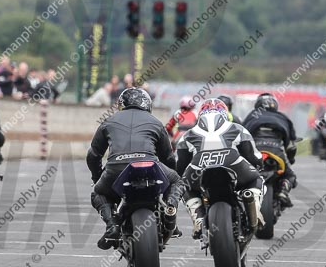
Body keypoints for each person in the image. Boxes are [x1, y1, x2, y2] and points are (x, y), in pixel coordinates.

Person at [87, 87, 183, 250]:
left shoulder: (108, 121)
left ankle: (112, 226)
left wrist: (97, 178)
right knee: (177, 181)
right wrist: (168, 182)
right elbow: (168, 157)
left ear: (122, 104)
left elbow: (93, 155)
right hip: (150, 165)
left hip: (117, 167)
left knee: (98, 192)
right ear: (147, 105)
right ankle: (170, 208)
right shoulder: (156, 122)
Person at [178, 99, 264, 239]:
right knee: (256, 179)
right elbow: (254, 157)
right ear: (225, 113)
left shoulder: (188, 134)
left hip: (199, 165)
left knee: (185, 186)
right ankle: (254, 207)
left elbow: (180, 167)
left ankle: (198, 218)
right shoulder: (237, 128)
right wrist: (258, 167)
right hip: (232, 161)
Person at [242, 93, 298, 208]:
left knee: (241, 173)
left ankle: (243, 194)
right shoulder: (283, 117)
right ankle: (283, 191)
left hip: (255, 151)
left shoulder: (252, 115)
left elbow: (241, 136)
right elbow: (291, 144)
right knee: (290, 175)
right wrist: (290, 159)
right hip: (276, 150)